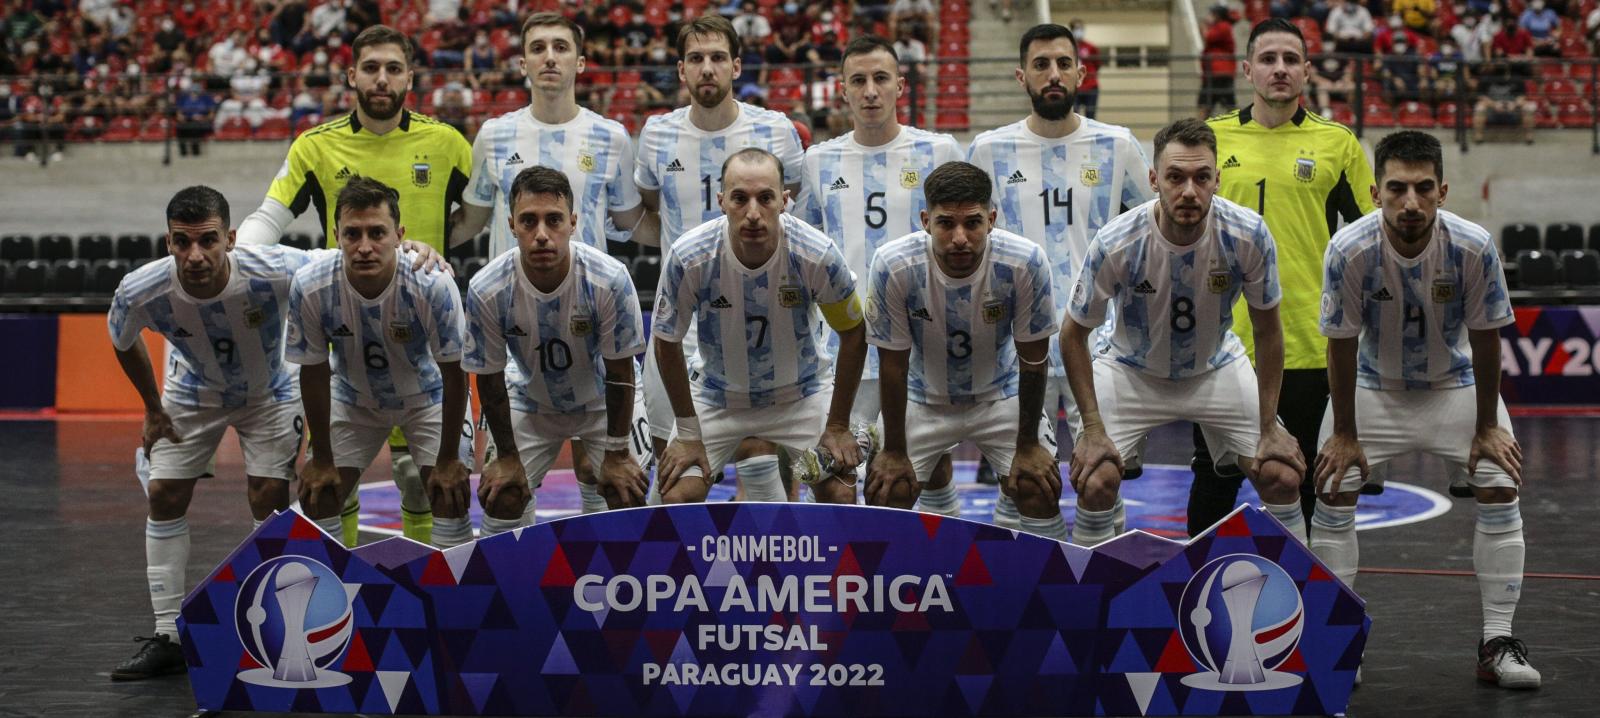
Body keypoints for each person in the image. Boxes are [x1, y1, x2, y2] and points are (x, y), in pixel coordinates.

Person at [1313, 130, 1540, 690]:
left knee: (1499, 483)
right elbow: (1339, 344)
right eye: (1396, 189)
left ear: (1442, 190)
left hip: (1454, 386)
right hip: (1373, 385)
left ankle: (1497, 642)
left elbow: (1488, 339)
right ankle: (1340, 639)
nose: (1409, 202)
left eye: (1421, 189)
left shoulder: (1473, 245)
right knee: (1333, 487)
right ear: (1374, 192)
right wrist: (1344, 434)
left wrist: (1486, 427)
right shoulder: (1349, 249)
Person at [234, 24, 474, 547]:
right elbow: (268, 217)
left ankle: (427, 585)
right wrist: (244, 255)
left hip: (421, 335)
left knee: (419, 478)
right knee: (329, 487)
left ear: (410, 75)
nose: (382, 79)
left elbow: (479, 214)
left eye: (393, 68)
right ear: (351, 76)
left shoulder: (448, 143)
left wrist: (437, 250)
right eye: (371, 68)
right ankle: (341, 592)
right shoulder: (315, 147)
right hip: (347, 334)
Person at [1062, 118, 1308, 548]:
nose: (1189, 191)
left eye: (1201, 177)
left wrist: (1269, 425)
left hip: (1214, 366)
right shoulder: (1117, 241)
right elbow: (1072, 334)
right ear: (1155, 179)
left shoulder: (1247, 234)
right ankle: (1089, 605)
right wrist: (1093, 427)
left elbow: (1269, 332)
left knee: (1282, 474)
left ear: (1218, 180)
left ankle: (1303, 601)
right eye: (1175, 177)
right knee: (1096, 479)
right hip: (1129, 368)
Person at [105, 187, 305, 681]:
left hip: (272, 388)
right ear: (169, 242)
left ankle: (280, 631)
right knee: (164, 494)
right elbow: (121, 337)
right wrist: (152, 408)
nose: (195, 255)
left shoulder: (276, 266)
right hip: (193, 389)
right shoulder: (141, 288)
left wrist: (413, 251)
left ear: (230, 239)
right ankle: (168, 633)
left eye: (208, 241)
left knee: (269, 499)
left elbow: (344, 265)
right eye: (182, 242)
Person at [1191, 18, 1376, 538]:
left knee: (1312, 481)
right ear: (1247, 69)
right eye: (1268, 59)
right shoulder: (1213, 139)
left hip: (1310, 343)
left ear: (1307, 72)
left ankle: (1309, 605)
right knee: (1214, 480)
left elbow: (1371, 244)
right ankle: (1195, 600)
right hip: (1223, 347)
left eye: (1291, 60)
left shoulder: (1338, 144)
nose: (1280, 69)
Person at [966, 22, 1154, 530]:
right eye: (1041, 64)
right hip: (1014, 347)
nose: (1053, 74)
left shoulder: (1117, 145)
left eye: (1063, 64)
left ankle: (1100, 594)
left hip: (1096, 344)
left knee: (1102, 478)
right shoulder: (989, 150)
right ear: (1021, 75)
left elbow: (1155, 234)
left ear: (1081, 73)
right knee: (1023, 483)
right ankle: (1020, 596)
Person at [633, 15, 807, 491]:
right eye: (695, 59)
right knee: (677, 462)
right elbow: (654, 212)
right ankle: (684, 563)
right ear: (681, 70)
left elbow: (792, 216)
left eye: (716, 58)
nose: (706, 68)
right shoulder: (655, 135)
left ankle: (774, 561)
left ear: (735, 66)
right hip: (681, 322)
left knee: (765, 448)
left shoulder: (775, 130)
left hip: (763, 314)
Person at [793, 35, 963, 496]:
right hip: (846, 345)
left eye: (881, 79)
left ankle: (938, 562)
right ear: (842, 89)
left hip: (924, 340)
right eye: (859, 80)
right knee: (838, 473)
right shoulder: (819, 160)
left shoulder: (938, 151)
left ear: (901, 86)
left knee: (931, 465)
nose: (870, 90)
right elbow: (801, 252)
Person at [652, 148, 867, 505]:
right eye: (740, 198)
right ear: (721, 201)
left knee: (840, 495)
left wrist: (838, 426)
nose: (753, 213)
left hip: (802, 395)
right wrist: (688, 433)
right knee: (676, 496)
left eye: (765, 198)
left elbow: (854, 332)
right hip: (717, 396)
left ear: (784, 201)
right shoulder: (689, 257)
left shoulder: (817, 254)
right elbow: (666, 340)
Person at [864, 162, 1061, 535]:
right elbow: (892, 367)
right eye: (945, 224)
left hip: (1000, 394)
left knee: (1039, 485)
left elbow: (1034, 361)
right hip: (922, 397)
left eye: (972, 223)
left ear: (991, 219)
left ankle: (1050, 589)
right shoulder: (893, 263)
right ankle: (908, 580)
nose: (959, 237)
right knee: (887, 490)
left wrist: (1028, 444)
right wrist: (892, 450)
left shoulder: (1025, 261)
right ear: (925, 221)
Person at [286, 176, 471, 548]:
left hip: (427, 397)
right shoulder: (311, 285)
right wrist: (321, 455)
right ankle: (333, 597)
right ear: (336, 234)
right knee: (320, 494)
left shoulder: (432, 283)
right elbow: (314, 372)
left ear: (399, 235)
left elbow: (455, 374)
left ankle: (451, 595)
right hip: (354, 398)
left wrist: (449, 457)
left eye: (377, 233)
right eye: (353, 234)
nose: (365, 247)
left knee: (449, 493)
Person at [464, 167, 652, 525]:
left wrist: (615, 453)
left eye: (553, 220)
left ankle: (622, 576)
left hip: (601, 398)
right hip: (530, 398)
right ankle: (517, 576)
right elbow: (488, 379)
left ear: (573, 223)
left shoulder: (609, 278)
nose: (541, 235)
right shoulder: (486, 288)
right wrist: (506, 456)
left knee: (626, 491)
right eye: (529, 221)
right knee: (502, 496)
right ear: (511, 225)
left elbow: (620, 372)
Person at [1473, 60, 1536, 143]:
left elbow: (1522, 97)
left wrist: (1514, 104)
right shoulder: (1485, 79)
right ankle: (1479, 136)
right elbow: (1481, 97)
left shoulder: (1517, 79)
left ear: (1508, 68)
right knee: (1479, 107)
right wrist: (1494, 104)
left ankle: (1529, 136)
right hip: (1492, 111)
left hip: (1512, 111)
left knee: (1528, 107)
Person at [1199, 4, 1238, 117]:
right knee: (1206, 104)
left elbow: (1208, 36)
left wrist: (1205, 25)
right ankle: (1198, 131)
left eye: (1212, 14)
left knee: (1226, 105)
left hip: (1219, 73)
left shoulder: (1223, 26)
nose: (1209, 16)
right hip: (1213, 73)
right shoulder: (1220, 26)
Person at [1068, 18, 1100, 119]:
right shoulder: (1068, 47)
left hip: (1090, 86)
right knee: (1073, 116)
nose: (1079, 31)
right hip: (1074, 87)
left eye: (1081, 28)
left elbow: (1097, 64)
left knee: (1091, 116)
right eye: (1077, 28)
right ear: (1072, 30)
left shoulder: (1091, 47)